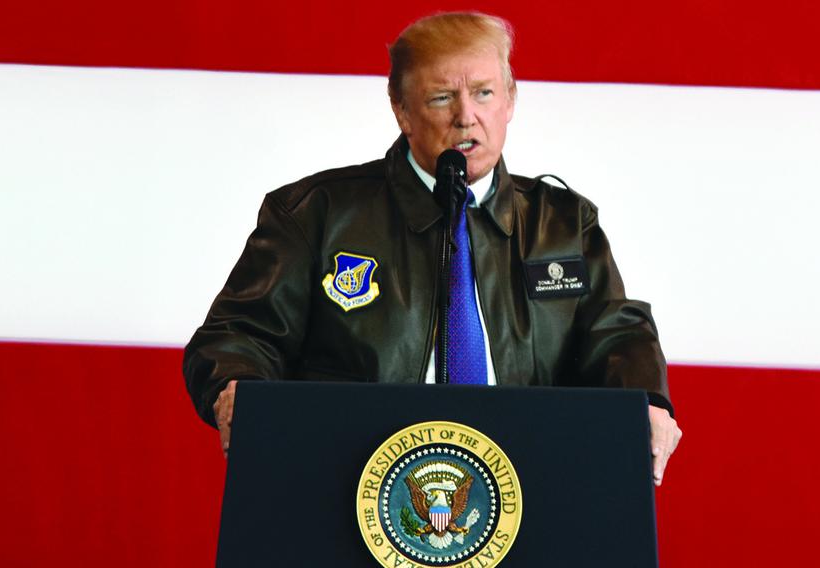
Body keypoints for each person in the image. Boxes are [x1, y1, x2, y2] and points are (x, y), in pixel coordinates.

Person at [183, 12, 681, 485]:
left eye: (484, 93)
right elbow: (239, 336)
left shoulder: (564, 223)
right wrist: (235, 386)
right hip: (351, 476)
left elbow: (617, 337)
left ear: (510, 100)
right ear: (401, 109)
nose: (467, 117)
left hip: (529, 479)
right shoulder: (316, 214)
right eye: (443, 97)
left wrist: (648, 403)